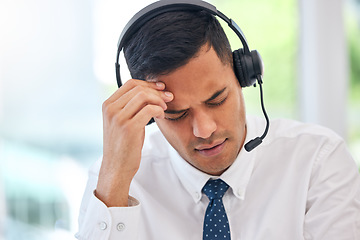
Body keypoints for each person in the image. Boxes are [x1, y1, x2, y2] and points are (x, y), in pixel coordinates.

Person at [76, 1, 360, 240]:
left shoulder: (317, 161)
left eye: (217, 100)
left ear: (244, 74)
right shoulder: (117, 181)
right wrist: (115, 180)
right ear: (149, 113)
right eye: (177, 114)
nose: (205, 129)